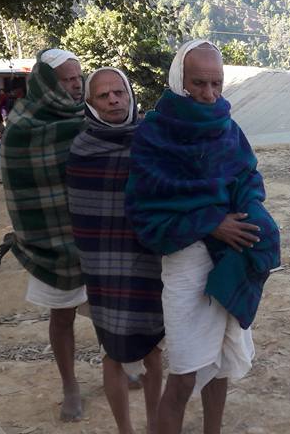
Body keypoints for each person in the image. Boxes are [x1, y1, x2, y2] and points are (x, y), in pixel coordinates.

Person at [126, 40, 281, 434]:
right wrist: (212, 222)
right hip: (185, 260)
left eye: (216, 84)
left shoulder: (227, 128)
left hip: (230, 256)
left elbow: (248, 176)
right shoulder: (154, 134)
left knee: (221, 366)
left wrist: (249, 212)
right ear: (179, 80)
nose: (209, 94)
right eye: (199, 83)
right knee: (183, 374)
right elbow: (147, 208)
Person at [67, 68, 165, 434]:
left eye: (119, 92)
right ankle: (125, 429)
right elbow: (83, 213)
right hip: (103, 267)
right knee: (112, 351)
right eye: (103, 95)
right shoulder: (82, 149)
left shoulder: (153, 141)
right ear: (90, 103)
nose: (113, 100)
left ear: (130, 95)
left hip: (150, 260)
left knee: (154, 347)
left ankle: (155, 425)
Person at [0, 48, 86, 422]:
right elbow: (22, 188)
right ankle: (70, 385)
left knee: (109, 311)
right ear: (47, 84)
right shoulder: (22, 128)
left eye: (79, 77)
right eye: (67, 80)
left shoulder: (91, 116)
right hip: (51, 240)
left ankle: (119, 365)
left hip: (96, 233)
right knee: (62, 316)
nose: (76, 85)